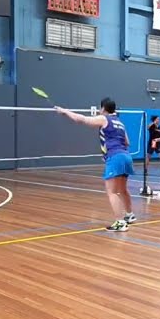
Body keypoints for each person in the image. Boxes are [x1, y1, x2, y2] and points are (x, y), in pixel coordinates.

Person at [55, 99, 136, 231]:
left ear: (103, 108)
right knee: (122, 189)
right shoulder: (120, 123)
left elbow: (81, 119)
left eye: (100, 108)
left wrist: (64, 111)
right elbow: (127, 142)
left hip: (115, 157)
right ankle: (130, 215)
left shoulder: (104, 119)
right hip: (126, 156)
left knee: (112, 192)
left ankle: (120, 222)